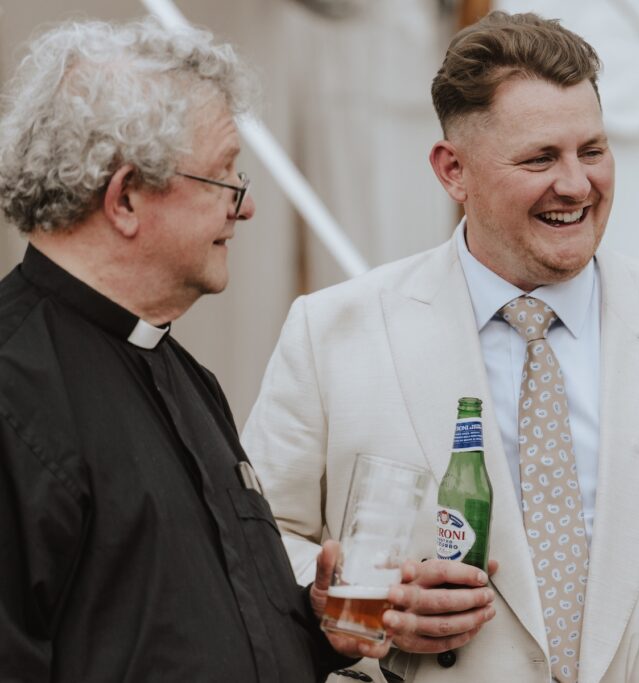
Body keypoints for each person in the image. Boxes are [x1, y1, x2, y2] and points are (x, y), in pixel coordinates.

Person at [242, 11, 639, 683]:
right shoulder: (331, 332)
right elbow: (256, 540)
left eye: (594, 150)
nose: (577, 184)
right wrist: (345, 594)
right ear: (452, 170)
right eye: (540, 158)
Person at [0, 18, 440, 681]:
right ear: (125, 199)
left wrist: (312, 623)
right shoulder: (13, 389)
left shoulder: (183, 373)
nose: (248, 207)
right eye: (226, 179)